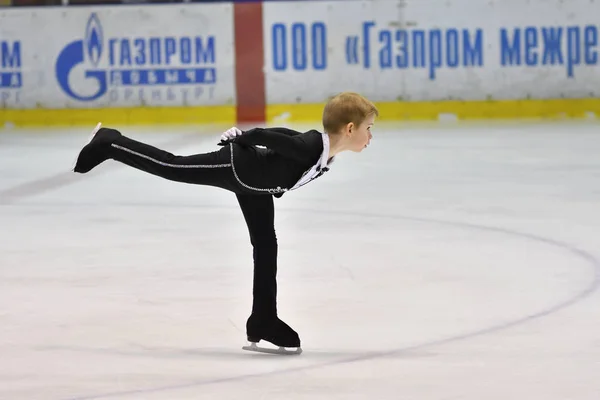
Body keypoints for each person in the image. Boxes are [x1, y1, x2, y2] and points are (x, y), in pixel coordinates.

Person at [72, 92, 378, 354]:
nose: (371, 136)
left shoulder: (321, 151)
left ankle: (263, 319)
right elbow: (270, 137)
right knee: (172, 165)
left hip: (255, 186)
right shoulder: (313, 147)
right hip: (238, 167)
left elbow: (285, 137)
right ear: (350, 129)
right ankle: (111, 143)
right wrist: (244, 137)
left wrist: (252, 140)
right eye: (369, 128)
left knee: (266, 244)